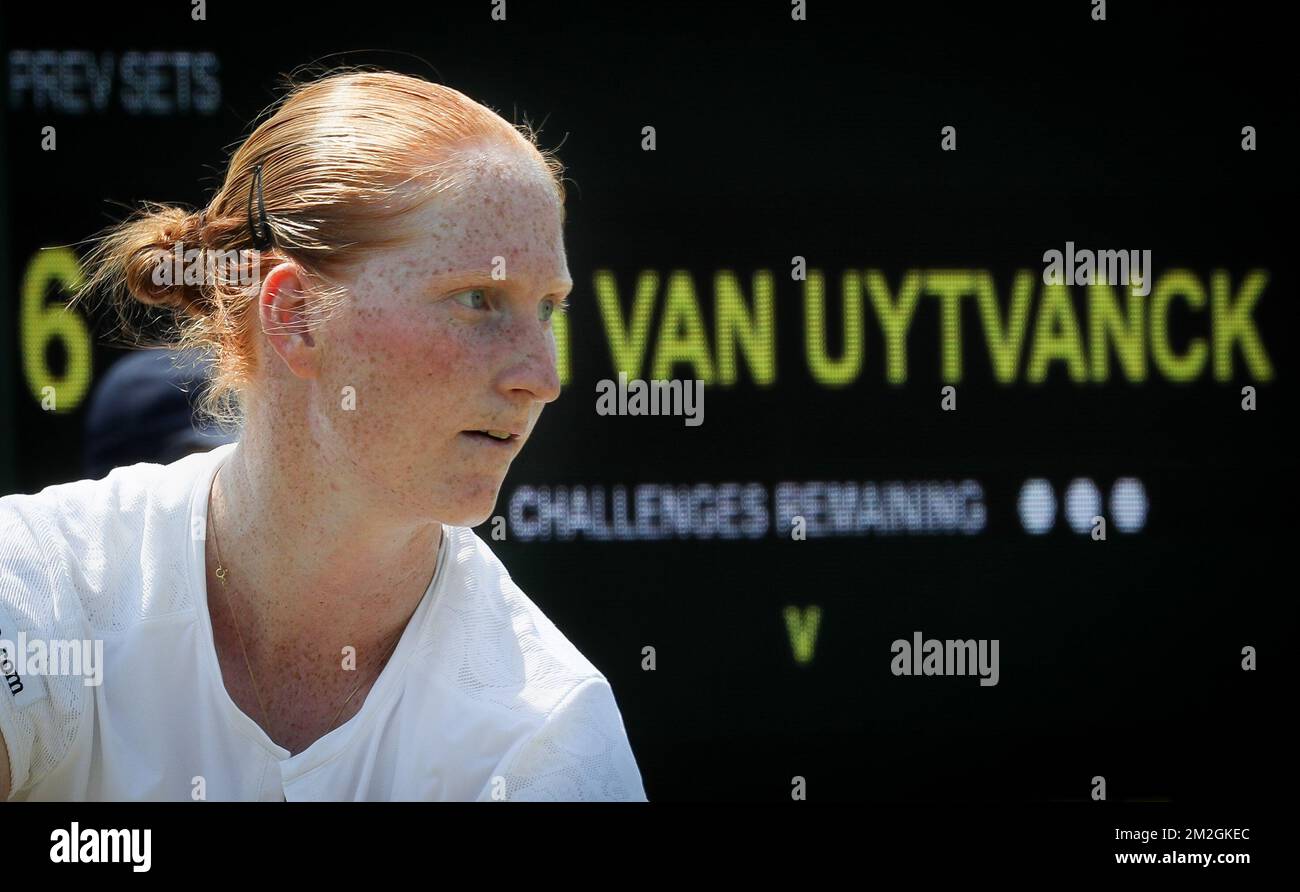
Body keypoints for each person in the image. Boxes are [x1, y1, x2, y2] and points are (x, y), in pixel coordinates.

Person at [0, 68, 647, 801]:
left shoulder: (551, 733)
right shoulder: (38, 584)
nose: (542, 375)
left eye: (549, 309)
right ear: (297, 319)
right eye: (478, 299)